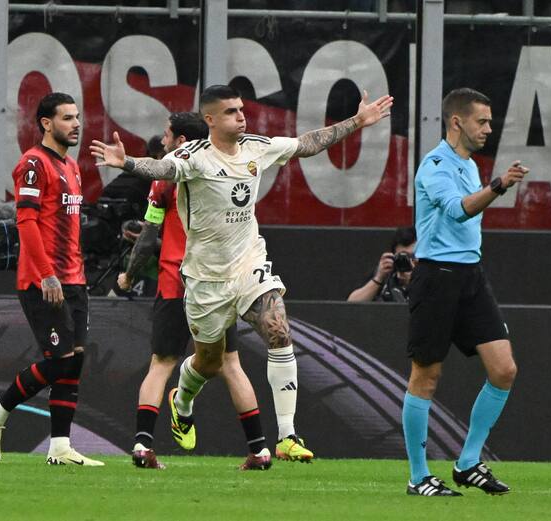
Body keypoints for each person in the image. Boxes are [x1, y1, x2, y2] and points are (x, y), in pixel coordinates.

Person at [92, 85, 393, 467]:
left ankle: (287, 436)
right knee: (209, 362)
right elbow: (163, 169)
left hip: (248, 264)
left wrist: (357, 121)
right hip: (204, 279)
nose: (241, 116)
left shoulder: (256, 147)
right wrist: (128, 163)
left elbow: (307, 144)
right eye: (231, 111)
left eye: (241, 109)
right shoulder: (193, 156)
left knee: (277, 327)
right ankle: (182, 399)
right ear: (210, 119)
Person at [118, 112, 277, 470]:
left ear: (180, 140)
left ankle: (143, 446)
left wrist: (128, 275)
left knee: (161, 364)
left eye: (166, 135)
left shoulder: (165, 180)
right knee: (230, 364)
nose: (162, 141)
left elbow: (148, 236)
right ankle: (259, 450)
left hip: (176, 283)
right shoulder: (227, 171)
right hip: (218, 284)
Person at [402, 87, 527, 496]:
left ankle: (468, 462)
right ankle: (418, 476)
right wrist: (499, 185)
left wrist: (492, 185)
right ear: (457, 122)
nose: (488, 128)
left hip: (470, 276)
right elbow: (458, 210)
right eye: (482, 121)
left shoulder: (469, 165)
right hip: (436, 277)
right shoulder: (435, 165)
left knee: (504, 369)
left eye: (489, 121)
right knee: (426, 376)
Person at [0, 92, 103, 467]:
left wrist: (76, 273)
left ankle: (60, 447)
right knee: (60, 361)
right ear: (46, 123)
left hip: (74, 279)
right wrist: (48, 275)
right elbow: (26, 221)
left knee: (74, 363)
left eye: (77, 117)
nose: (76, 124)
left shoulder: (72, 166)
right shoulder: (33, 163)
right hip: (42, 281)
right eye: (67, 118)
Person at [347, 226, 416, 302]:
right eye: (402, 256)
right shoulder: (386, 275)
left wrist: (414, 281)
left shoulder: (424, 277)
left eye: (412, 257)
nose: (407, 261)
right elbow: (352, 303)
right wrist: (378, 278)